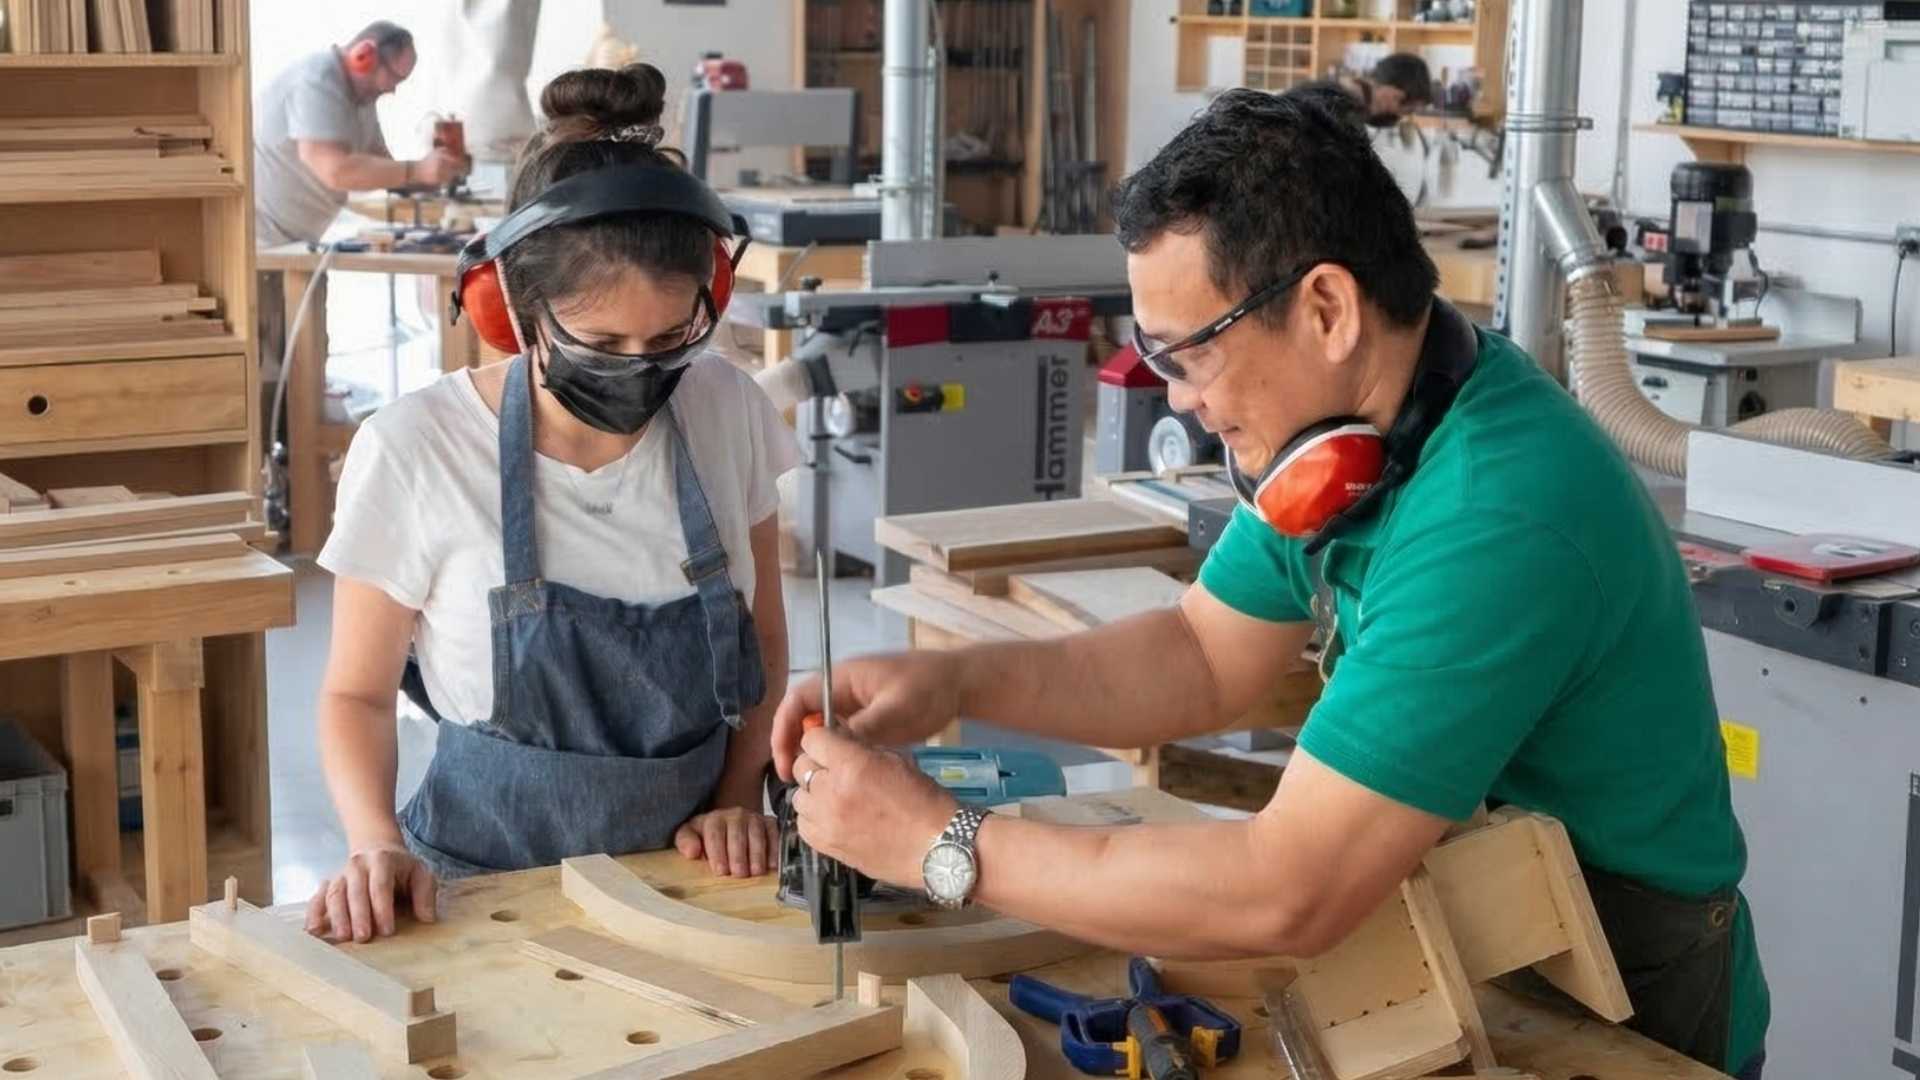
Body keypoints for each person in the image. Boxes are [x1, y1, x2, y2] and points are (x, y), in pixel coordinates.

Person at [772, 87, 1769, 1079]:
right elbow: (1199, 653)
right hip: (1469, 932)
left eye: (1190, 351)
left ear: (1326, 309)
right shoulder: (1360, 435)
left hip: (1621, 997)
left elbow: (1288, 889)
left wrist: (936, 843)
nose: (1178, 396)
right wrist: (957, 684)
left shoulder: (1497, 515)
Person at [306, 63, 799, 943]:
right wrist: (374, 843)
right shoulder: (418, 450)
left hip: (693, 883)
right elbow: (356, 694)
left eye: (670, 337)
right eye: (602, 341)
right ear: (517, 308)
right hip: (474, 892)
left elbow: (761, 639)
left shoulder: (726, 408)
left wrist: (737, 801)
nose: (641, 367)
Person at [252, 20, 465, 246]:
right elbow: (335, 171)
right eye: (393, 77)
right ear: (364, 56)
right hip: (265, 239)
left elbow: (382, 165)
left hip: (297, 240)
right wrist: (418, 170)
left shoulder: (361, 99)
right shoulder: (317, 80)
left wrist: (431, 178)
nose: (392, 89)